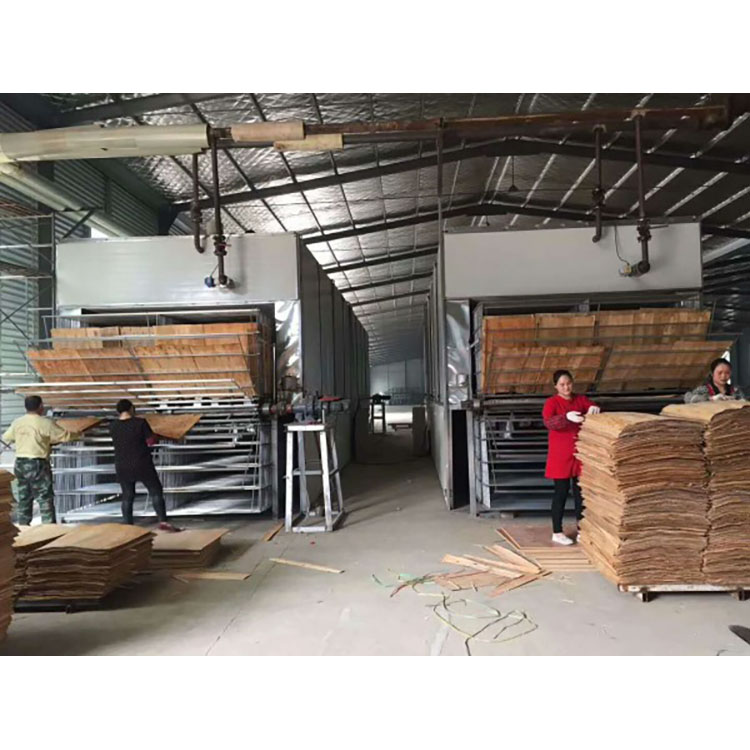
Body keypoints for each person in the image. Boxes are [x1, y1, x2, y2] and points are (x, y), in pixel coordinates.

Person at [2, 395, 81, 525]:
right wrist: (78, 434)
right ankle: (48, 529)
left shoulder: (18, 422)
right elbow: (64, 436)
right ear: (40, 406)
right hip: (37, 463)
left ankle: (23, 527)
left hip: (20, 463)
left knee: (24, 497)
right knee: (44, 498)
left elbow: (7, 436)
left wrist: (24, 438)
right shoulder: (45, 423)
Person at [542, 370, 600, 546]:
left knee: (580, 494)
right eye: (562, 385)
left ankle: (582, 529)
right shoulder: (552, 403)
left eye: (568, 384)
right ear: (555, 386)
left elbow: (591, 405)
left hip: (579, 453)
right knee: (560, 493)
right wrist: (565, 417)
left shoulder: (580, 399)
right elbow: (548, 422)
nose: (566, 388)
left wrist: (594, 408)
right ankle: (557, 532)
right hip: (560, 455)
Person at [109, 399, 179, 532]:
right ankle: (163, 522)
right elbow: (151, 441)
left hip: (122, 464)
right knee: (155, 491)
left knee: (127, 495)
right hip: (142, 463)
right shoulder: (140, 423)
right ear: (131, 408)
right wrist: (159, 436)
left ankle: (128, 527)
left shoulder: (113, 426)